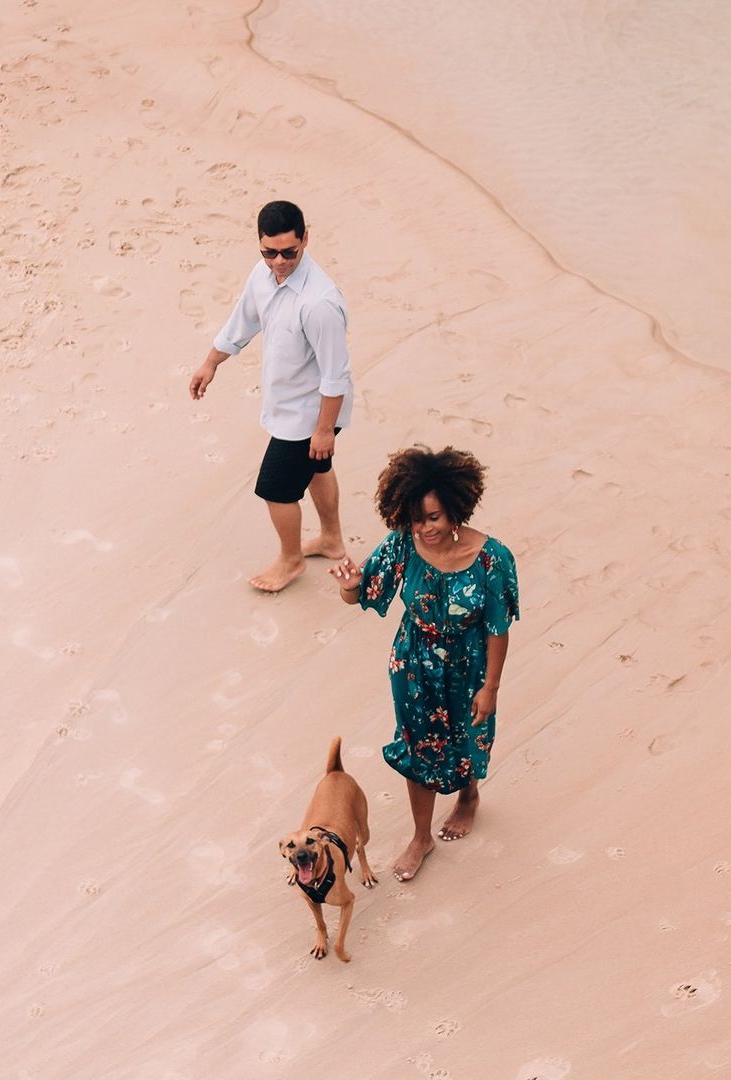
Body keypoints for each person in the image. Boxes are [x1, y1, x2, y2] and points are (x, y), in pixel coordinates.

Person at [330, 446, 519, 882]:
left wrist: (490, 687)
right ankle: (421, 837)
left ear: (455, 510)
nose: (423, 528)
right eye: (416, 518)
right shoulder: (402, 544)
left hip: (469, 666)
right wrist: (350, 587)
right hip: (413, 663)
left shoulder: (493, 559)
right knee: (419, 748)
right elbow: (363, 593)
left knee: (468, 736)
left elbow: (498, 628)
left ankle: (469, 797)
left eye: (432, 517)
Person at [189, 200, 353, 592]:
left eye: (289, 252)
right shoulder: (262, 276)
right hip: (289, 403)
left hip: (311, 414)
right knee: (317, 470)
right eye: (269, 252)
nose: (279, 261)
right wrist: (210, 363)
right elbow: (241, 322)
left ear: (306, 239)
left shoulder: (319, 304)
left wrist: (324, 429)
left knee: (276, 489)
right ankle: (331, 540)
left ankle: (291, 559)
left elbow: (336, 374)